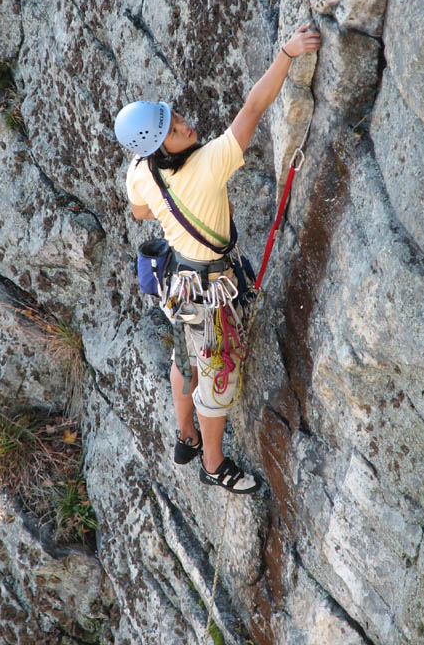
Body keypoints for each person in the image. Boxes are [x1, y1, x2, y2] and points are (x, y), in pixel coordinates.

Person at [115, 24, 321, 494]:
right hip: (210, 294)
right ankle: (212, 462)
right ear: (158, 146)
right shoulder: (209, 165)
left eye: (178, 119)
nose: (186, 126)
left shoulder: (140, 169)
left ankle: (184, 435)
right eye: (172, 130)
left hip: (176, 285)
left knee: (182, 356)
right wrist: (286, 54)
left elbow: (140, 209)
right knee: (217, 379)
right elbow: (253, 107)